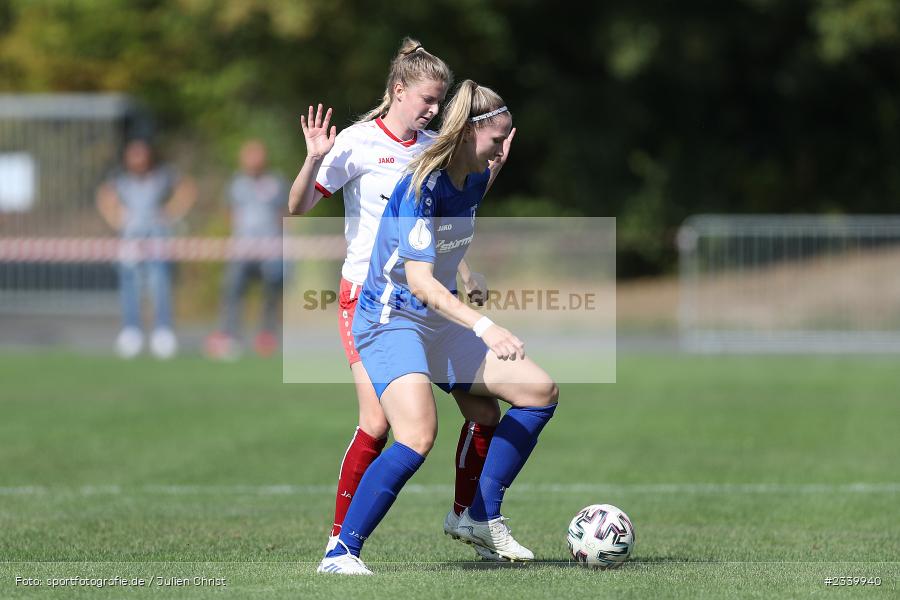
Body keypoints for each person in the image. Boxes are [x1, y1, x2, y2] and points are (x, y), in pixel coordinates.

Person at [318, 81, 558, 575]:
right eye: (498, 139)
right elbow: (421, 281)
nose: (502, 149)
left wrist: (468, 275)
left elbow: (453, 233)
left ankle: (478, 515)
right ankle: (341, 553)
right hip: (392, 319)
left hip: (437, 321)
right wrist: (485, 326)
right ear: (469, 135)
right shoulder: (420, 185)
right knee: (415, 434)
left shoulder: (472, 175)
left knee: (539, 391)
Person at [288, 38, 513, 560]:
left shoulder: (434, 148)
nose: (434, 110)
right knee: (379, 422)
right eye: (427, 100)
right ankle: (339, 543)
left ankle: (468, 518)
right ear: (398, 90)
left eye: (440, 102)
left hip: (426, 301)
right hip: (369, 301)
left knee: (482, 410)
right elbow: (297, 206)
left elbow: (439, 233)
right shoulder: (356, 143)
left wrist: (468, 272)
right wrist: (313, 160)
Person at [96, 139, 196, 359]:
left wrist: (170, 212)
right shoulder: (119, 178)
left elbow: (186, 189)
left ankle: (163, 331)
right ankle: (131, 331)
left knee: (159, 284)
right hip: (130, 240)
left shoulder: (162, 175)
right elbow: (104, 196)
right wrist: (116, 218)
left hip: (157, 239)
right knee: (129, 285)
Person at [205, 140, 288, 359]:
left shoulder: (276, 182)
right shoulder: (236, 184)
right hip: (242, 249)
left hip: (270, 249)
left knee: (272, 290)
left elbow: (285, 212)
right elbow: (229, 211)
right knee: (232, 288)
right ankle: (229, 334)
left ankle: (267, 334)